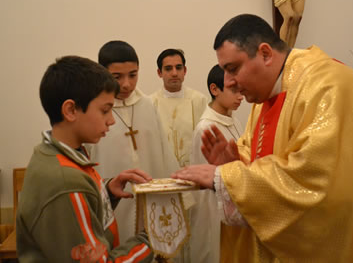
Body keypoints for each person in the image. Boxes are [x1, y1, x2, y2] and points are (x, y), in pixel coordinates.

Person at [173, 14, 353, 262]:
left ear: (265, 54)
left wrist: (227, 179)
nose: (230, 81)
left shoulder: (329, 88)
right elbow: (265, 157)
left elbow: (319, 182)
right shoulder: (265, 99)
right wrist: (235, 162)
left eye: (233, 68)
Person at [16, 55, 154, 262]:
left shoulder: (54, 152)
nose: (111, 121)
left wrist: (107, 192)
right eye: (105, 110)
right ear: (71, 110)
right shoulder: (65, 182)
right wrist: (150, 240)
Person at [86, 41, 180, 244]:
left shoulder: (147, 105)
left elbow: (164, 152)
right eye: (117, 77)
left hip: (152, 205)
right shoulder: (94, 110)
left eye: (133, 74)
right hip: (114, 205)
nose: (127, 84)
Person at [189, 64, 243, 263]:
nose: (241, 96)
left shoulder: (233, 120)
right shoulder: (206, 127)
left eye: (241, 89)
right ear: (215, 89)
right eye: (234, 90)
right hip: (213, 207)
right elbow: (210, 178)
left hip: (233, 199)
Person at [150, 49, 208, 167]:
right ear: (159, 73)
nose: (174, 73)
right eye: (168, 68)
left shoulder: (199, 100)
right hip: (162, 172)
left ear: (185, 70)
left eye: (178, 67)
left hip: (193, 171)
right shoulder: (150, 103)